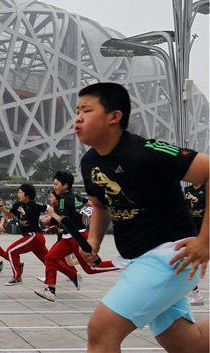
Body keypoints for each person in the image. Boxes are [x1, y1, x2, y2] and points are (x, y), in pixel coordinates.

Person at [74, 82, 209, 352]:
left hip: (170, 257)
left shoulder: (146, 152)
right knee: (188, 344)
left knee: (102, 330)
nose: (78, 118)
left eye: (87, 110)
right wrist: (94, 240)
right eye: (77, 110)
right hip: (138, 260)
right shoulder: (90, 162)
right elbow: (100, 205)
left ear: (114, 117)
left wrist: (205, 240)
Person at [34, 171, 118, 302]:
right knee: (50, 257)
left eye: (56, 184)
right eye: (54, 184)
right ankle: (51, 290)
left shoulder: (63, 200)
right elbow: (89, 203)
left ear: (65, 185)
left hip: (76, 237)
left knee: (91, 268)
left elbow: (64, 220)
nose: (54, 186)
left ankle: (121, 263)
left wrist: (51, 213)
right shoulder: (75, 197)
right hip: (68, 236)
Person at [0, 184, 49, 285]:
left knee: (11, 251)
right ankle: (73, 275)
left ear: (27, 194)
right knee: (49, 259)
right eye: (18, 192)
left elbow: (49, 209)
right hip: (31, 238)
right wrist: (2, 208)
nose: (18, 194)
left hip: (34, 235)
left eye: (20, 192)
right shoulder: (17, 205)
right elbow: (9, 215)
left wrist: (49, 218)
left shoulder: (34, 205)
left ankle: (17, 277)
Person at [184, 182, 206, 306]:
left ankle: (195, 293)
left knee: (193, 261)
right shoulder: (187, 189)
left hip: (202, 231)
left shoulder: (206, 189)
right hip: (188, 229)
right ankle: (194, 292)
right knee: (189, 260)